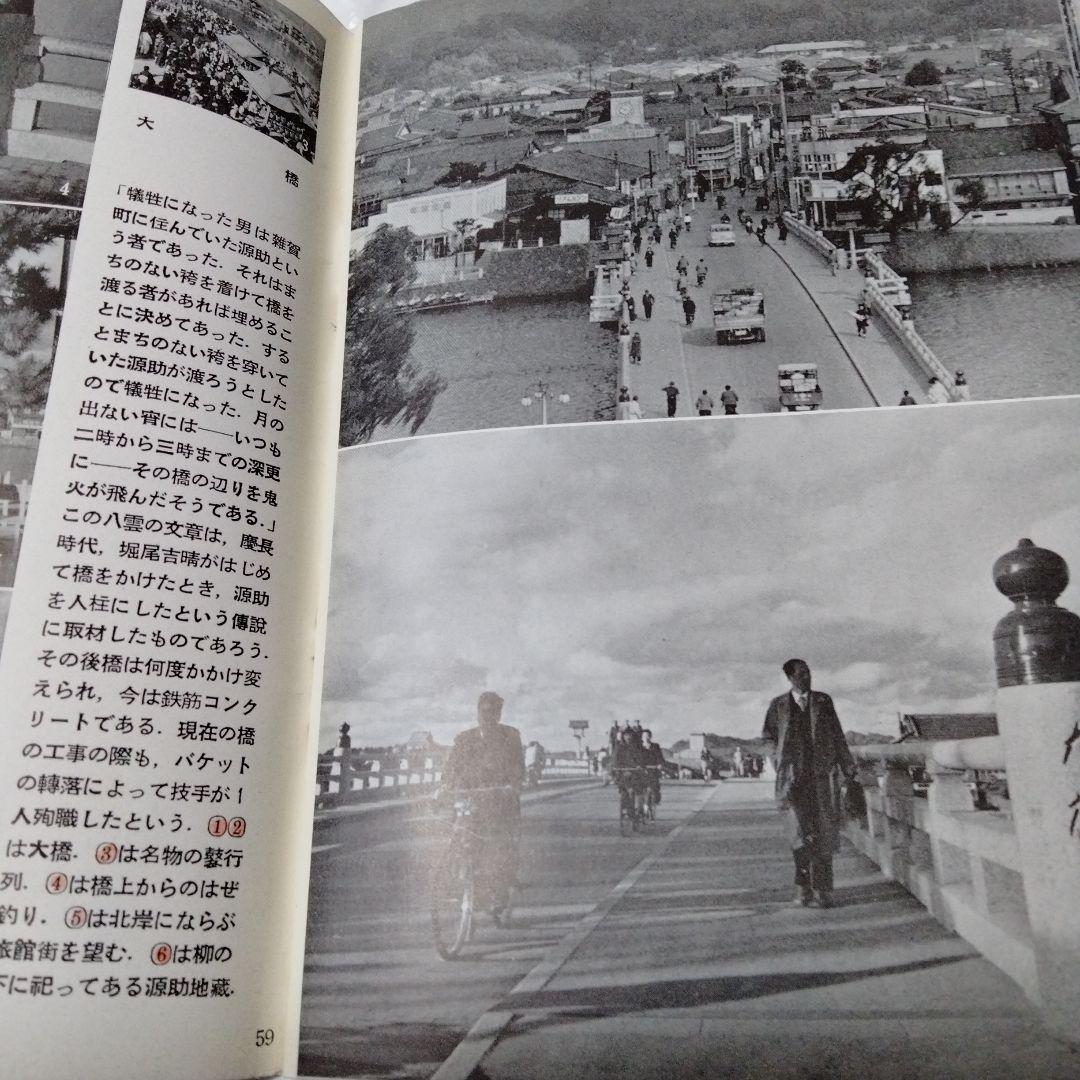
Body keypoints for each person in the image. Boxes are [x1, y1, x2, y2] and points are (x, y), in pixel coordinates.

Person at [762, 660, 856, 909]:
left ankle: (823, 890)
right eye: (801, 674)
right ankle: (803, 887)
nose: (807, 678)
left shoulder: (823, 702)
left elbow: (837, 734)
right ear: (790, 677)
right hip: (792, 781)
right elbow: (768, 737)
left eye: (808, 673)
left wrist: (848, 767)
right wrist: (777, 761)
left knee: (823, 834)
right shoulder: (779, 705)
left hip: (820, 778)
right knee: (799, 836)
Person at [443, 691, 526, 907]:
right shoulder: (464, 739)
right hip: (471, 801)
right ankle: (456, 882)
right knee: (458, 838)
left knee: (499, 845)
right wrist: (445, 786)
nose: (487, 716)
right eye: (484, 711)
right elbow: (451, 767)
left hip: (500, 802)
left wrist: (512, 785)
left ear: (499, 714)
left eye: (493, 712)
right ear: (478, 712)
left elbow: (518, 766)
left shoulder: (510, 736)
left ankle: (500, 890)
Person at [640, 729, 664, 807]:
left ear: (650, 737)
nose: (646, 738)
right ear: (642, 737)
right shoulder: (639, 747)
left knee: (654, 787)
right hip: (642, 770)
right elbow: (636, 758)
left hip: (653, 770)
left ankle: (655, 800)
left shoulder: (655, 746)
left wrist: (660, 764)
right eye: (644, 736)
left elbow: (660, 757)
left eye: (648, 736)